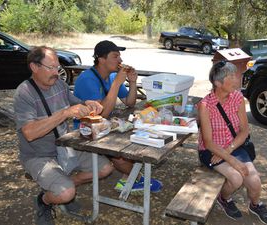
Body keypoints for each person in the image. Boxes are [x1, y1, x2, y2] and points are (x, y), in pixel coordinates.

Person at [13, 46, 114, 225]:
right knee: (66, 193)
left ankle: (64, 186)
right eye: (50, 68)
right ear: (34, 67)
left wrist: (88, 105)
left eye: (57, 67)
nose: (56, 73)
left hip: (64, 146)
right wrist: (65, 113)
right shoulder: (24, 93)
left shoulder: (58, 83)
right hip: (38, 155)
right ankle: (45, 200)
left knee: (105, 169)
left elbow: (75, 104)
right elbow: (29, 133)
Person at [73, 40, 162, 193]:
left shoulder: (113, 76)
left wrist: (132, 82)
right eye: (115, 57)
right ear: (101, 59)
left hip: (106, 126)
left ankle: (128, 178)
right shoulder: (87, 79)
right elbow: (101, 113)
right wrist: (117, 84)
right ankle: (138, 178)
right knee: (121, 156)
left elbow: (129, 102)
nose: (120, 60)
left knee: (142, 135)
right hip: (87, 131)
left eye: (120, 57)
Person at [197, 61, 267, 224]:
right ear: (218, 83)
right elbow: (208, 142)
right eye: (231, 76)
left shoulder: (237, 97)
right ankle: (224, 199)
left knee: (254, 181)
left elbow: (245, 131)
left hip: (234, 145)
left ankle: (255, 205)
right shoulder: (205, 106)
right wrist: (233, 161)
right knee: (236, 178)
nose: (236, 80)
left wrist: (229, 151)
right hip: (211, 150)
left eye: (235, 75)